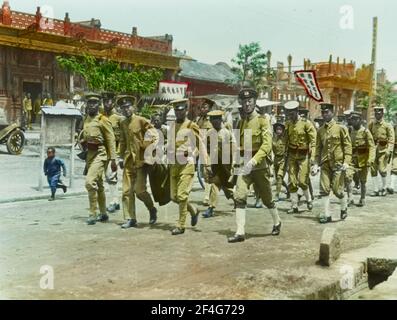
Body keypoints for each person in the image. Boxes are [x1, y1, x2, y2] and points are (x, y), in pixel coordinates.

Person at [228, 88, 282, 243]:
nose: (247, 104)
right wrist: (236, 163)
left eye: (249, 101)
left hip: (259, 166)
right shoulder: (242, 122)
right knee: (239, 196)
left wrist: (253, 161)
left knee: (267, 199)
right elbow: (240, 146)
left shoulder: (262, 120)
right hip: (244, 165)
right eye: (244, 102)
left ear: (254, 102)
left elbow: (267, 145)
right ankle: (240, 232)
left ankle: (277, 221)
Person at [118, 95, 159, 229]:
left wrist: (147, 147)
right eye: (123, 108)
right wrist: (120, 157)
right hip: (129, 160)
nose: (126, 109)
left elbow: (154, 134)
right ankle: (130, 218)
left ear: (133, 107)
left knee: (139, 190)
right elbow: (123, 141)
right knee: (126, 191)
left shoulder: (141, 120)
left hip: (141, 162)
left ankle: (151, 209)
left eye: (128, 106)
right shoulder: (123, 123)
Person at [168, 99, 204, 235]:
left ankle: (180, 225)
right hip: (174, 164)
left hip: (187, 165)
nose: (179, 112)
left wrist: (193, 156)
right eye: (176, 110)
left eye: (181, 109)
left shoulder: (191, 125)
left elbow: (200, 144)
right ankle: (193, 210)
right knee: (174, 197)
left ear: (186, 110)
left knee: (182, 195)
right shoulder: (172, 126)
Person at [80, 93, 117, 225]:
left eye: (94, 103)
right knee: (99, 184)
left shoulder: (103, 119)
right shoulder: (86, 119)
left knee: (90, 182)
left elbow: (111, 139)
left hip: (101, 154)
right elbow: (83, 134)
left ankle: (92, 213)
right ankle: (103, 213)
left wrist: (113, 159)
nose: (91, 105)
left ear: (98, 105)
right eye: (89, 103)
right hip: (89, 154)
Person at [313, 103, 352, 224]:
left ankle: (343, 206)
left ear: (332, 113)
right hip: (325, 164)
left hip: (338, 164)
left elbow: (347, 146)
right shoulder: (320, 131)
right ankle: (327, 214)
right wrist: (315, 164)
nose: (325, 115)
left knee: (337, 190)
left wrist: (346, 162)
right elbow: (318, 148)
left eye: (327, 112)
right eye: (323, 113)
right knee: (324, 190)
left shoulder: (341, 128)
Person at [284, 101, 317, 214]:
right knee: (292, 182)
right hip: (292, 156)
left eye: (292, 114)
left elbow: (313, 141)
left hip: (303, 156)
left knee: (302, 181)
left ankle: (308, 199)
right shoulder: (288, 124)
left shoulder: (306, 124)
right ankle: (294, 206)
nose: (290, 116)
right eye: (288, 114)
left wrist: (312, 157)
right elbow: (285, 140)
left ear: (297, 112)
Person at [202, 110, 235, 218]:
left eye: (216, 119)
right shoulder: (209, 133)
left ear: (221, 119)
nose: (214, 122)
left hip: (226, 164)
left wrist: (234, 163)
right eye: (212, 119)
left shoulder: (227, 132)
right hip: (215, 163)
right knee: (215, 185)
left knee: (227, 188)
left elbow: (233, 147)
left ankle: (237, 200)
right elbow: (205, 147)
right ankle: (211, 208)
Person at [102, 92, 124, 214]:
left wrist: (119, 155)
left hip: (114, 152)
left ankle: (114, 201)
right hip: (103, 151)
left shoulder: (119, 118)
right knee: (107, 177)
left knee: (111, 176)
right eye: (104, 102)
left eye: (108, 101)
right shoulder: (102, 117)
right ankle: (114, 201)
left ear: (113, 102)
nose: (106, 104)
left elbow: (122, 137)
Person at [349, 111, 375, 207]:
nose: (354, 121)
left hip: (363, 159)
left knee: (363, 180)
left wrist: (370, 160)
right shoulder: (350, 130)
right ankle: (350, 198)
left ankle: (362, 198)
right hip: (352, 159)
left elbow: (372, 146)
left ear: (360, 120)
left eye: (356, 119)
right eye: (352, 119)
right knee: (348, 178)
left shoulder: (365, 131)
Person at [368, 106, 395, 196]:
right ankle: (376, 189)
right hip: (373, 149)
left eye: (379, 113)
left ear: (382, 114)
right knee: (373, 169)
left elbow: (392, 138)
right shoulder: (371, 124)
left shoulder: (387, 125)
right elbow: (368, 136)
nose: (377, 115)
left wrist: (389, 150)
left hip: (383, 150)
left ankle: (384, 188)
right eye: (376, 113)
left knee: (382, 170)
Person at [196, 98, 215, 207]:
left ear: (209, 108)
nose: (203, 109)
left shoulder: (213, 119)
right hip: (202, 150)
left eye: (205, 107)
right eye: (202, 107)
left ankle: (207, 197)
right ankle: (208, 195)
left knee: (208, 173)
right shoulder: (199, 120)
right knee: (204, 173)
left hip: (211, 149)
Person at [272, 122, 288, 202]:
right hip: (276, 159)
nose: (278, 131)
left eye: (280, 129)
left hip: (283, 159)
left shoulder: (285, 139)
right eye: (277, 129)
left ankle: (277, 195)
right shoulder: (274, 138)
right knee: (278, 178)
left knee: (279, 176)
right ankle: (288, 189)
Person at [388, 113, 397, 194]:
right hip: (396, 151)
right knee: (394, 168)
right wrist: (390, 150)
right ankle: (391, 186)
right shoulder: (394, 128)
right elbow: (391, 140)